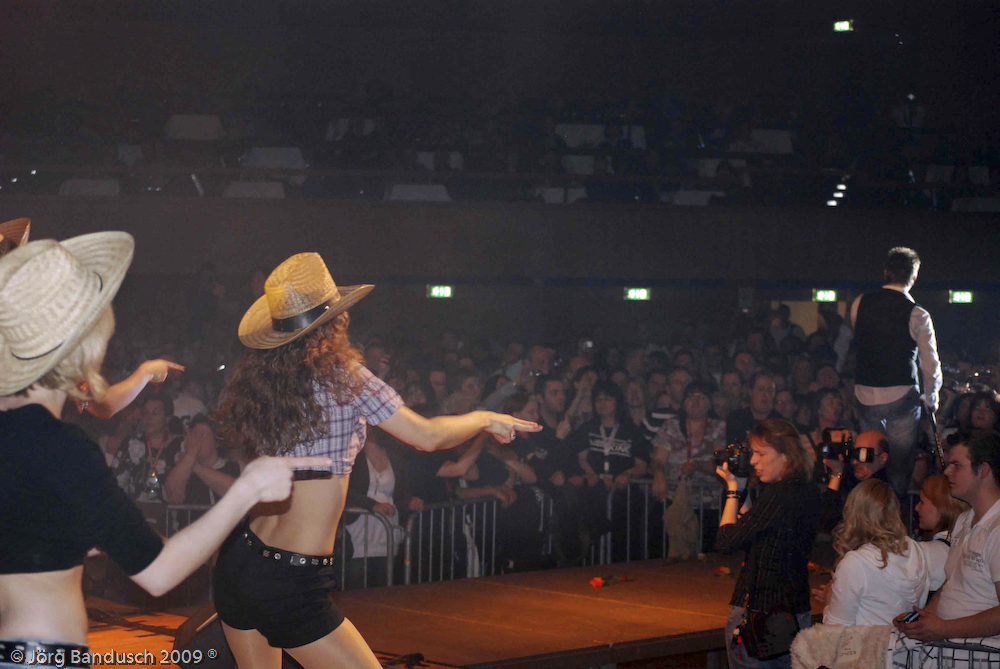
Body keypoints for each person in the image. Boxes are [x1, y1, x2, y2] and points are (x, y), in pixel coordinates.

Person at [0, 233, 330, 668]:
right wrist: (247, 489)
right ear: (82, 346)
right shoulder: (62, 448)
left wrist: (62, 540)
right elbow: (159, 572)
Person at [211, 252, 540, 668]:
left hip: (241, 559)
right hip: (289, 580)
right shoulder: (343, 376)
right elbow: (426, 436)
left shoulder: (268, 385)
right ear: (337, 320)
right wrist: (484, 418)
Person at [715, 419, 821, 669]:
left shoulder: (780, 493)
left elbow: (726, 541)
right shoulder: (807, 490)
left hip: (761, 617)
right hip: (794, 612)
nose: (753, 461)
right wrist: (742, 487)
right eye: (753, 453)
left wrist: (732, 491)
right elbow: (754, 530)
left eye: (761, 454)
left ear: (786, 455)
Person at [852, 246, 942, 499]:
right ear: (914, 277)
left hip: (865, 393)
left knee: (869, 462)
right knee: (899, 468)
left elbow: (862, 342)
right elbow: (929, 363)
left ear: (885, 272)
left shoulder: (859, 303)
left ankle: (868, 508)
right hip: (901, 395)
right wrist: (931, 398)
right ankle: (895, 510)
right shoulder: (918, 314)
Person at [895, 430, 1000, 642]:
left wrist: (944, 629)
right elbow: (953, 583)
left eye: (956, 465)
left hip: (980, 652)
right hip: (950, 649)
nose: (947, 471)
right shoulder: (964, 520)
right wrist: (922, 619)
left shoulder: (997, 529)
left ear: (982, 471)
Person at [819, 479, 930, 626]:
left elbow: (836, 631)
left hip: (866, 641)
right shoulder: (914, 549)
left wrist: (828, 601)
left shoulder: (856, 562)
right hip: (902, 640)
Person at [164, 414, 241, 505]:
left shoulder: (232, 467)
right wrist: (190, 455)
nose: (197, 440)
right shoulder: (181, 468)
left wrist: (196, 467)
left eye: (203, 435)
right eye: (194, 435)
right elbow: (173, 497)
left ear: (216, 442)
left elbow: (236, 492)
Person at [914, 474, 969, 595]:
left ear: (942, 507)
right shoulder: (961, 543)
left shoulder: (933, 552)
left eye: (922, 502)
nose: (917, 508)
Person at [726, 371, 781, 443]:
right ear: (751, 392)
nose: (765, 394)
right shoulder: (736, 419)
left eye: (770, 390)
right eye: (761, 389)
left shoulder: (781, 423)